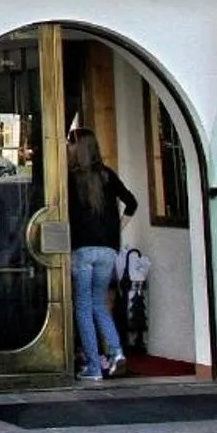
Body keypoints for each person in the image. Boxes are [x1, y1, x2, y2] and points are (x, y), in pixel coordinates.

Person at [66, 128, 138, 381]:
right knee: (99, 304)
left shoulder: (70, 179)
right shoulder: (107, 175)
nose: (67, 148)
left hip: (82, 250)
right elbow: (132, 202)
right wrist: (117, 228)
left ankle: (94, 367)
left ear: (77, 148)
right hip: (108, 250)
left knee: (84, 308)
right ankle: (117, 352)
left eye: (70, 144)